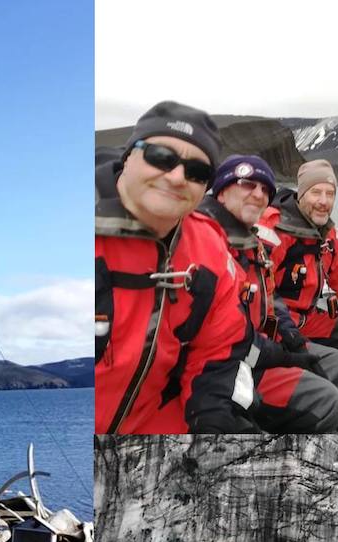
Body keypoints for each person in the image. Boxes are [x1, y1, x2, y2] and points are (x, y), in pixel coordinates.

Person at [96, 101, 257, 433]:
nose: (177, 176)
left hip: (155, 420)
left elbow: (219, 349)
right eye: (160, 157)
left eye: (197, 172)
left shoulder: (209, 251)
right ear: (129, 156)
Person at [197, 154, 338, 431]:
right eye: (247, 184)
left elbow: (269, 299)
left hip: (261, 347)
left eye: (265, 189)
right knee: (327, 399)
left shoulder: (251, 243)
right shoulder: (209, 244)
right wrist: (282, 355)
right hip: (229, 369)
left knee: (337, 364)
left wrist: (290, 338)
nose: (258, 195)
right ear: (220, 191)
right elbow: (228, 338)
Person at [261, 159, 338, 401]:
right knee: (337, 364)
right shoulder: (275, 227)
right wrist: (289, 335)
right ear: (301, 194)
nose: (324, 201)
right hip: (275, 326)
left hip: (306, 319)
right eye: (316, 192)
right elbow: (262, 288)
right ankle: (327, 410)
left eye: (330, 194)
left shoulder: (326, 233)